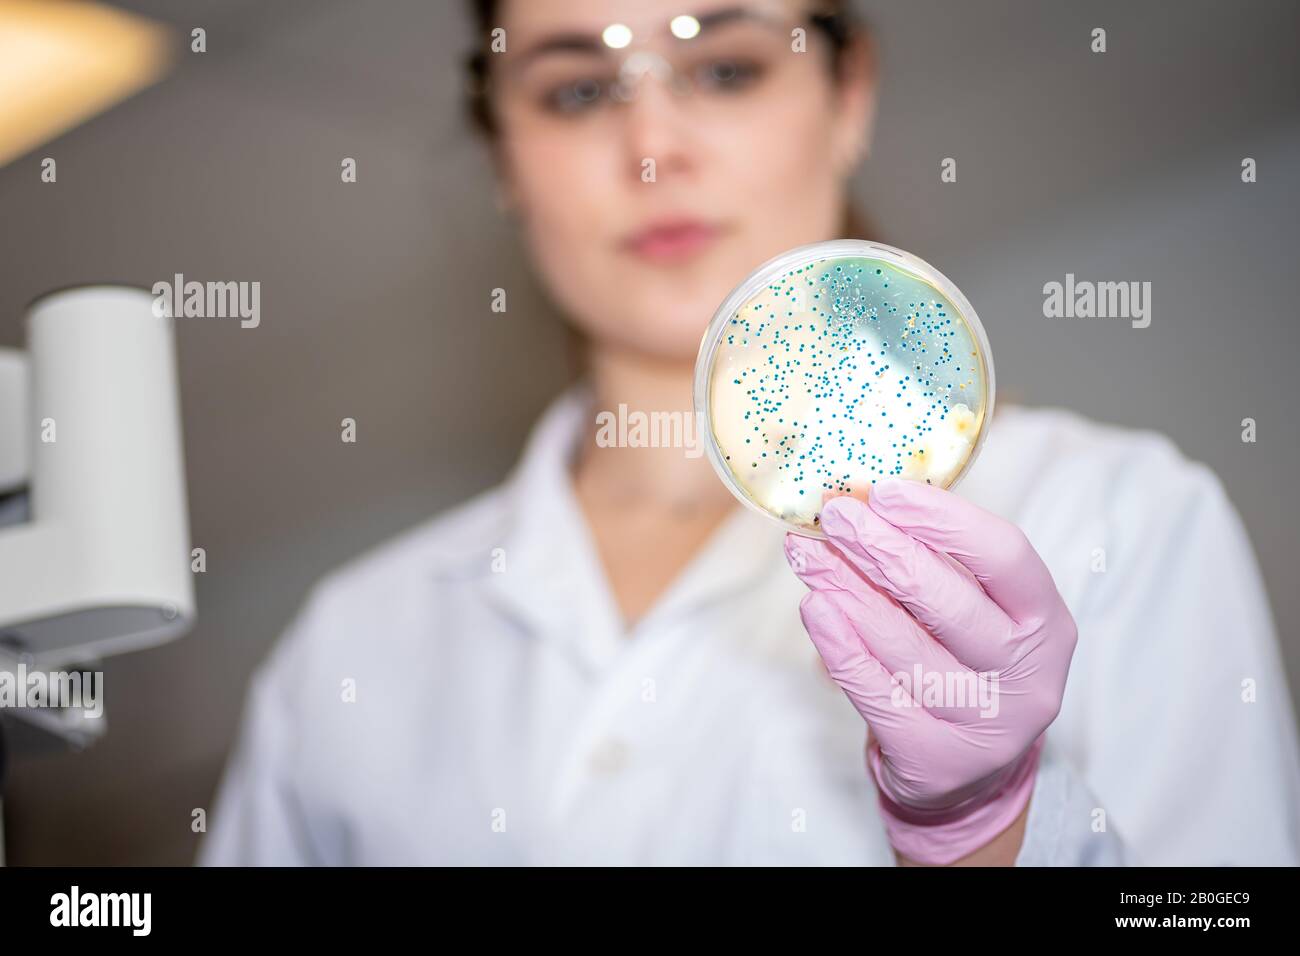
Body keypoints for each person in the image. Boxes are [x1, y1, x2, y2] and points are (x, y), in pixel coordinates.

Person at [198, 0, 1300, 865]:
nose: (651, 145)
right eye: (577, 89)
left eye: (724, 66)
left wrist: (989, 831)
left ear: (849, 93)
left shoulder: (1114, 512)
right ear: (501, 157)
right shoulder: (347, 651)